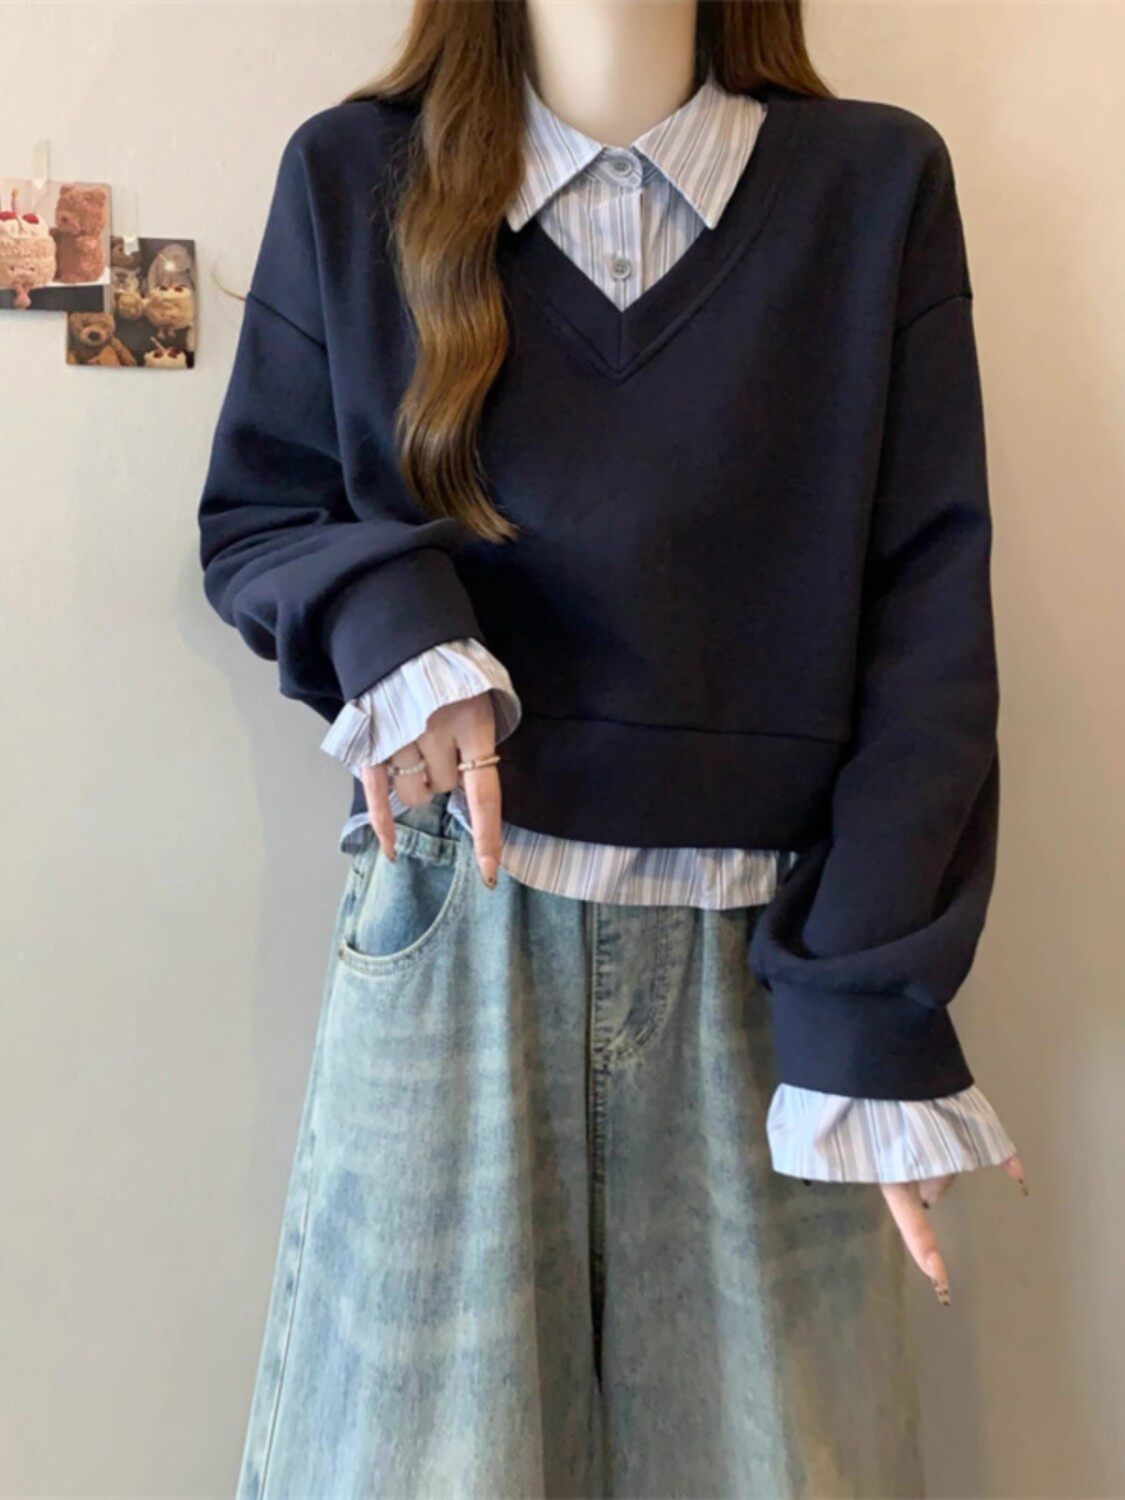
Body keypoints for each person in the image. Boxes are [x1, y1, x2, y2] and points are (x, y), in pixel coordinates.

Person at [198, 0, 1028, 1493]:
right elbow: (260, 518)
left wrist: (870, 1008)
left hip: (767, 962)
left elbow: (928, 629)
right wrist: (408, 638)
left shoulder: (871, 187)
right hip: (453, 925)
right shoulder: (354, 172)